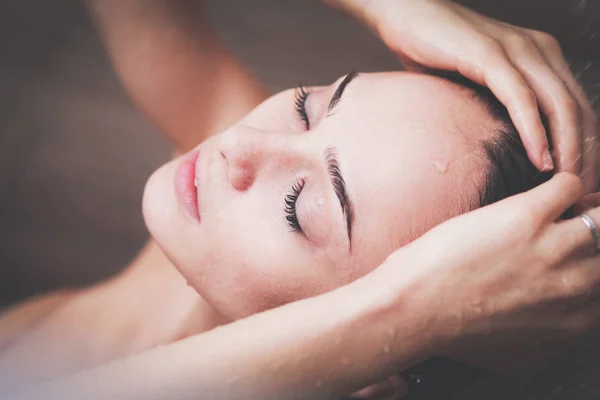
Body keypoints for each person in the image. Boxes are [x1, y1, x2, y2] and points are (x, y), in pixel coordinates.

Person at [1, 0, 599, 398]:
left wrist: (414, 310)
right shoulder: (214, 206)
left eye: (299, 207)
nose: (240, 143)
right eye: (309, 109)